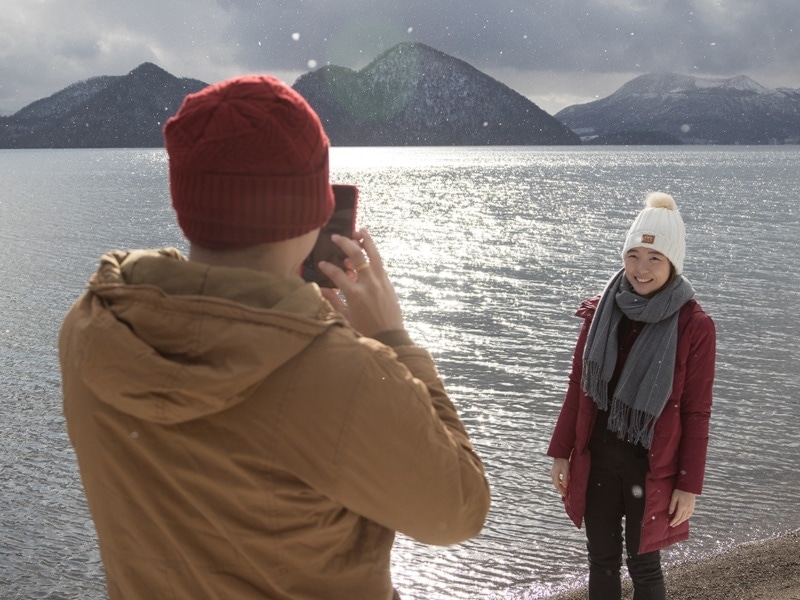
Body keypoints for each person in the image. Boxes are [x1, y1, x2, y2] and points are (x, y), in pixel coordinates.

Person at [59, 75, 490, 600]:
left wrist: (299, 318)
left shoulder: (92, 325)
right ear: (315, 209)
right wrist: (391, 340)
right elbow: (458, 511)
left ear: (186, 198)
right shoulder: (342, 373)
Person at [546, 193, 716, 600]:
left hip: (651, 465)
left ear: (673, 262)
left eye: (654, 258)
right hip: (599, 458)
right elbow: (578, 387)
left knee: (644, 565)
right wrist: (561, 452)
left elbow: (696, 412)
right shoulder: (600, 312)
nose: (641, 269)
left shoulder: (694, 325)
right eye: (633, 255)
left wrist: (689, 484)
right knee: (601, 561)